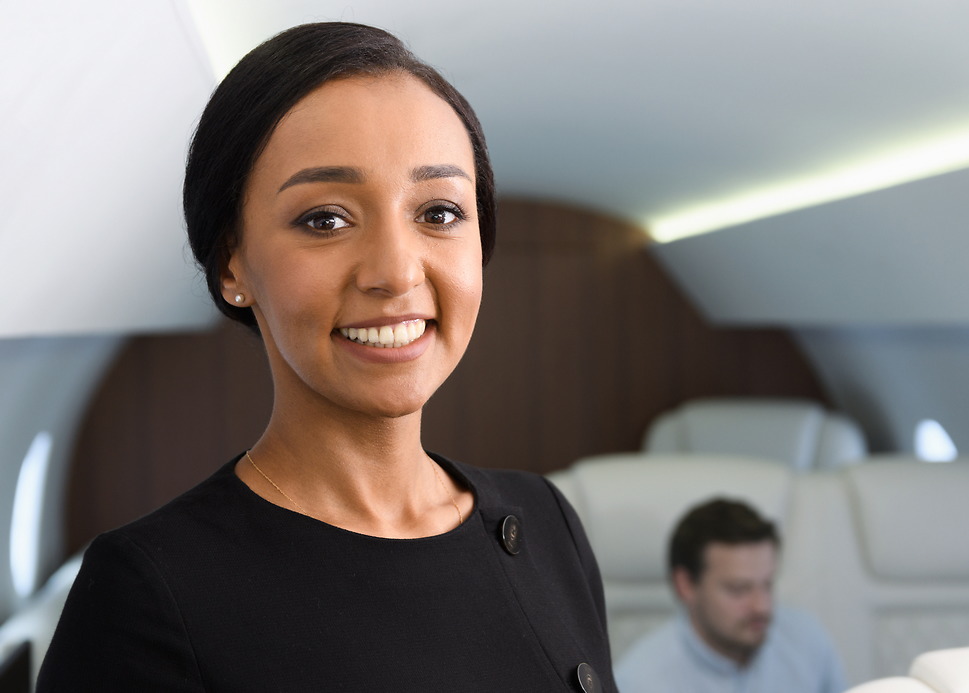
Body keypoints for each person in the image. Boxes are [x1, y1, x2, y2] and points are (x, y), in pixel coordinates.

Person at [37, 23, 615, 693]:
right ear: (231, 262)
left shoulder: (546, 521)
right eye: (325, 220)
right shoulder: (147, 592)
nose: (396, 273)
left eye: (438, 212)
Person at [614, 498, 844, 693]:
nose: (761, 607)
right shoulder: (638, 682)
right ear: (685, 585)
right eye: (739, 589)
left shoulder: (807, 640)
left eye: (767, 585)